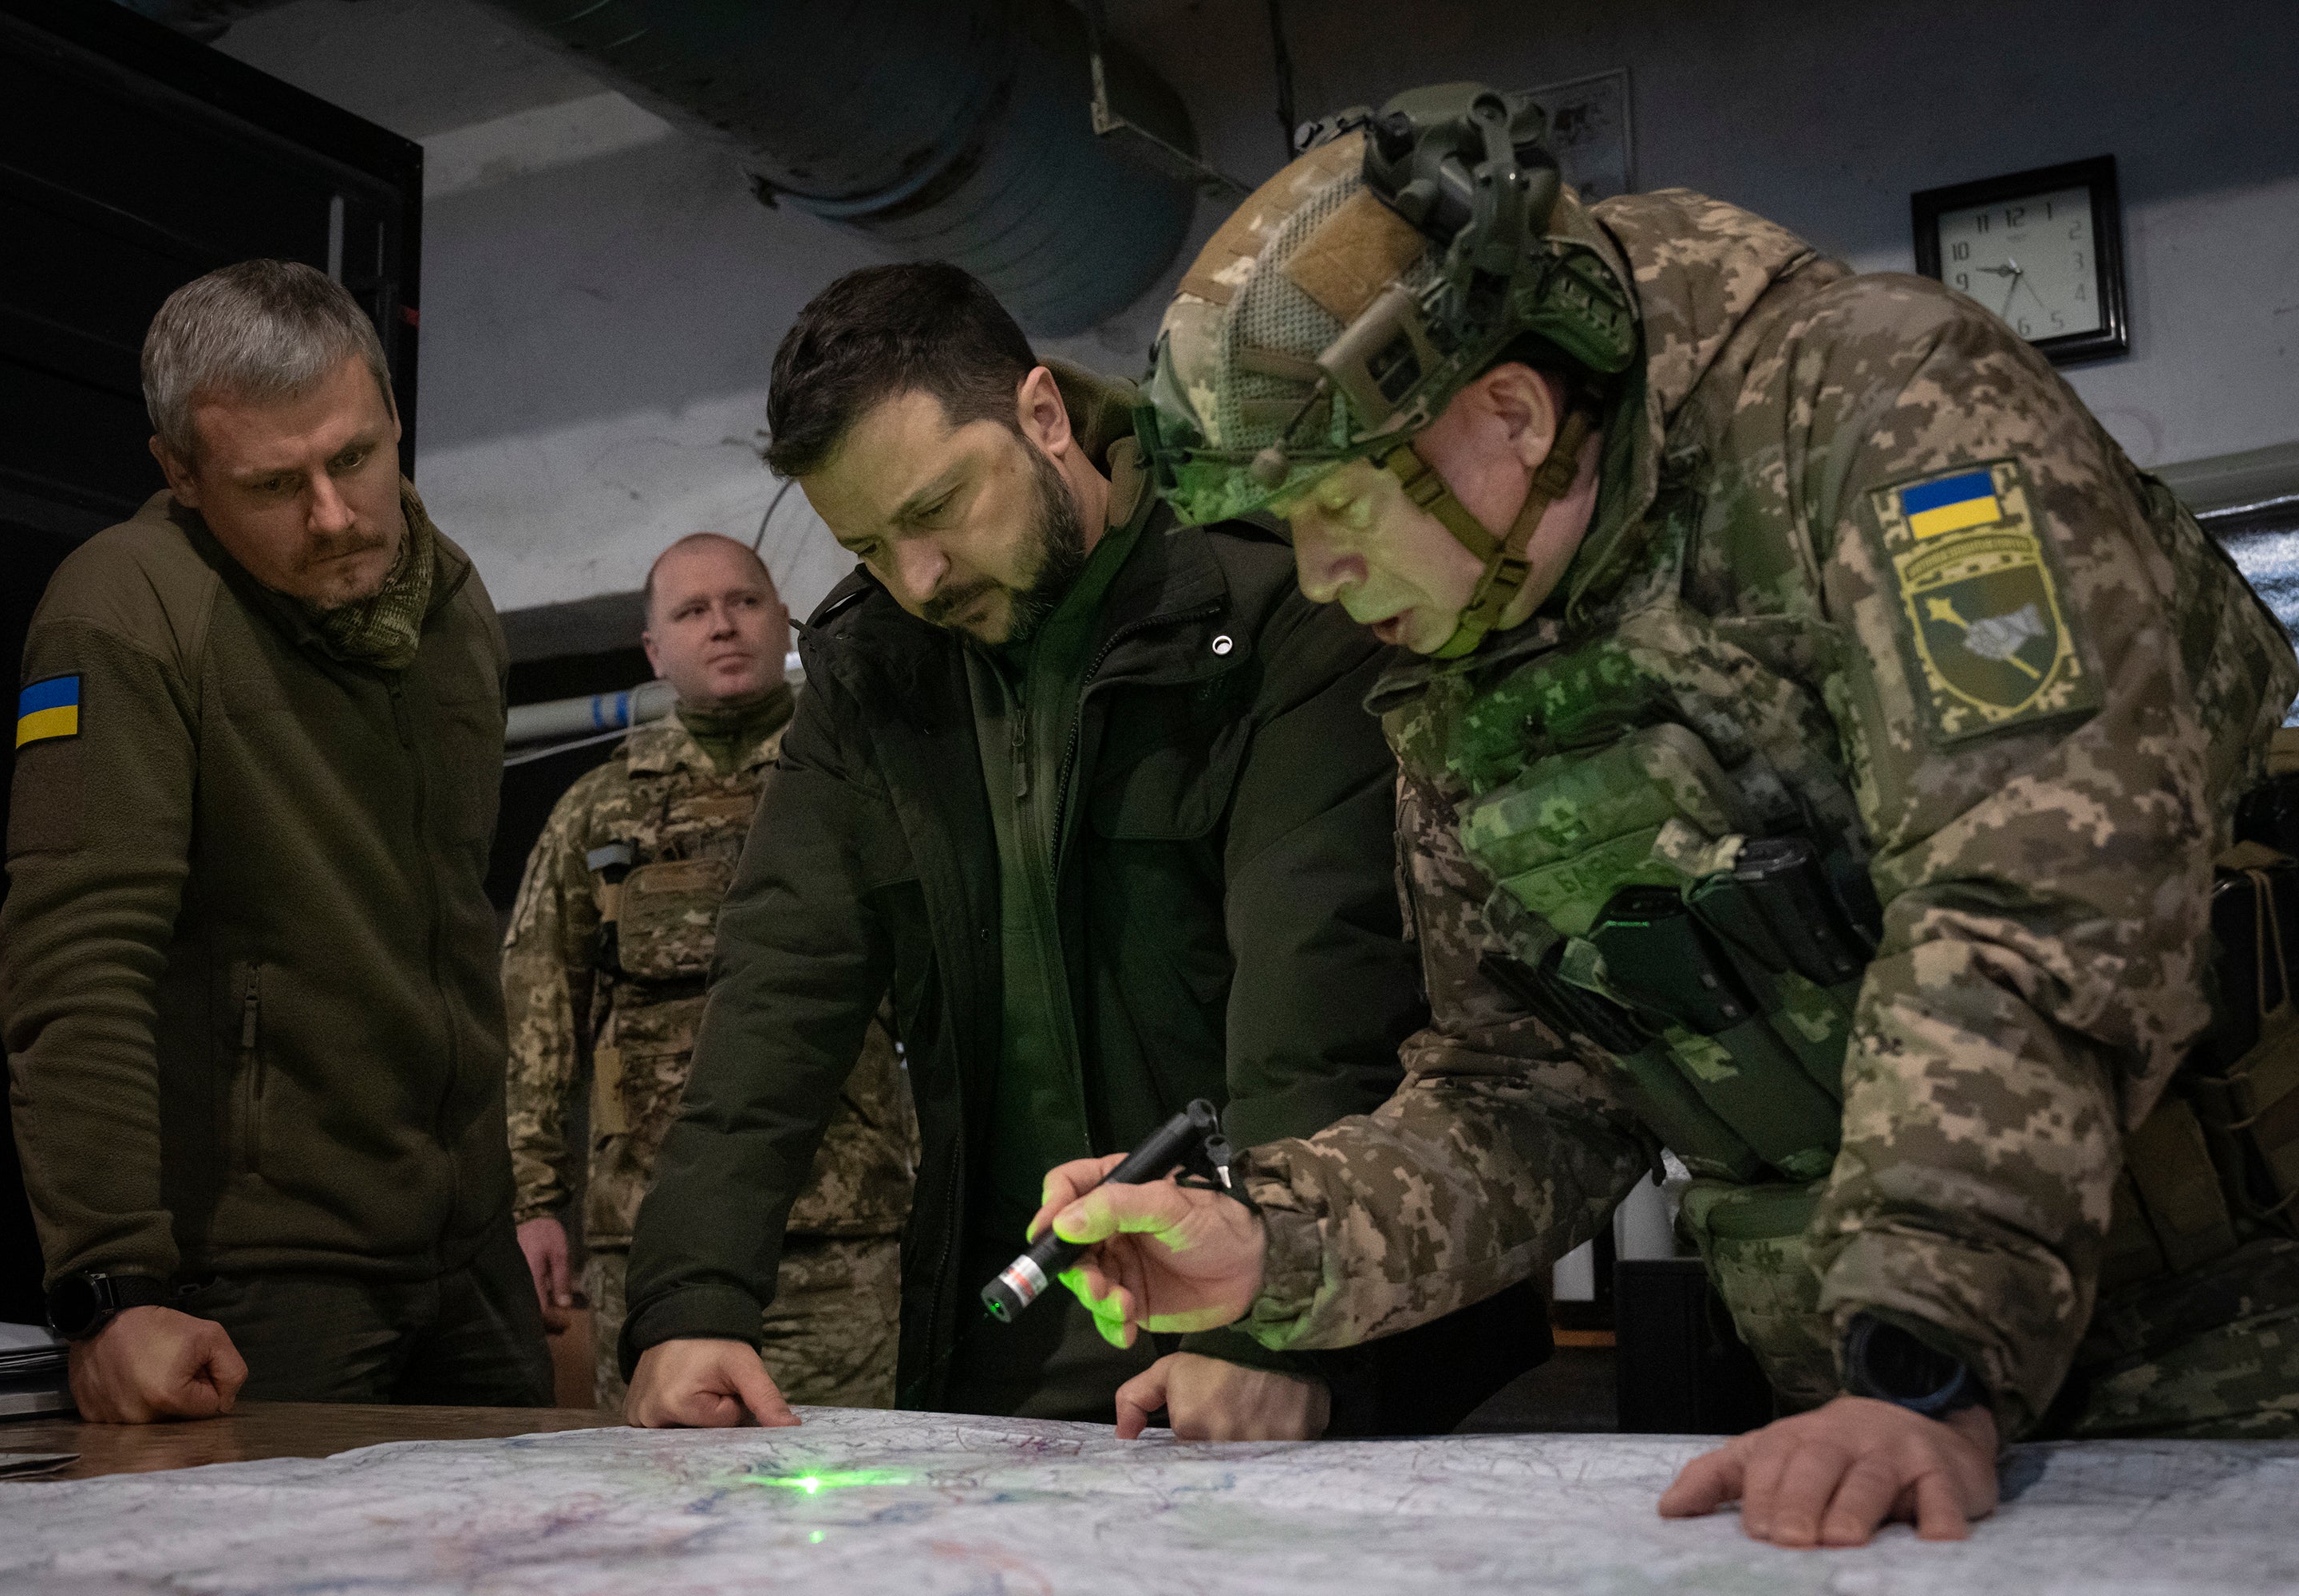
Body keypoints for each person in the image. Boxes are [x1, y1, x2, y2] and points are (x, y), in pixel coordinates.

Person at [1026, 84, 2299, 1543]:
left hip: (2227, 1341)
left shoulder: (1880, 409)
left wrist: (1921, 1346)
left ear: (1506, 412)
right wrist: (1274, 1242)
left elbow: (2035, 882)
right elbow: (1530, 1089)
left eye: (1339, 511)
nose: (1317, 578)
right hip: (1874, 1395)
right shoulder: (1471, 640)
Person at [618, 262, 1551, 1437]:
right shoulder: (875, 677)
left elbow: (1319, 989)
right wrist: (691, 1300)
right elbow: (776, 990)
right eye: (867, 545)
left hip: (1322, 1331)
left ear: (1044, 416)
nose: (916, 578)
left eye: (935, 509)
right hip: (1021, 1342)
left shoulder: (1270, 598)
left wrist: (1262, 1322)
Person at [0, 260, 550, 1420]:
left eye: (354, 457)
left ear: (395, 422)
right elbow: (77, 957)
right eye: (274, 484)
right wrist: (108, 1288)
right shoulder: (123, 606)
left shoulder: (456, 606)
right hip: (262, 1280)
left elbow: (454, 923)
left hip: (471, 1260)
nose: (336, 516)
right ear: (182, 477)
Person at [504, 531, 917, 1413]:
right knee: (668, 1507)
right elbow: (539, 1013)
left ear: (784, 620)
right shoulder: (596, 810)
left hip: (844, 1235)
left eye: (744, 601)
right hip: (649, 1237)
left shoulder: (866, 781)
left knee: (864, 1495)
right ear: (654, 650)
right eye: (692, 611)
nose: (722, 625)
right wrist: (535, 1198)